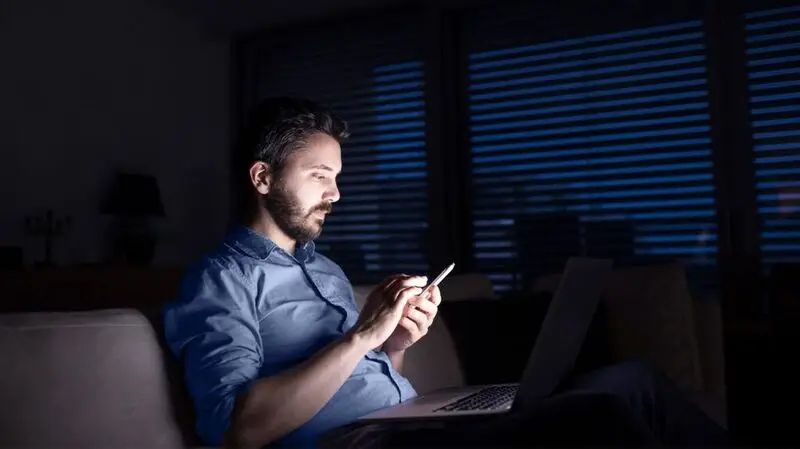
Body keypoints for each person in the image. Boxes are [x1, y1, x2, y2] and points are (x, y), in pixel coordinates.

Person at [162, 97, 731, 449]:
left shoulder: (327, 270)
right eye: (318, 176)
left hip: (410, 423)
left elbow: (367, 372)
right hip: (361, 444)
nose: (336, 193)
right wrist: (365, 334)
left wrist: (396, 343)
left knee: (633, 381)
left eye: (338, 176)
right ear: (262, 178)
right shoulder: (220, 280)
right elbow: (239, 430)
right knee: (598, 415)